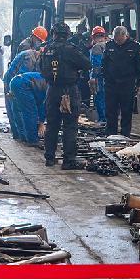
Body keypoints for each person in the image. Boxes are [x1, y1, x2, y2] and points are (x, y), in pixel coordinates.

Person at [40, 22, 90, 169]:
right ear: (67, 35)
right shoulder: (71, 49)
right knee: (70, 126)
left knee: (52, 125)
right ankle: (68, 161)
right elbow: (87, 64)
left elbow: (41, 68)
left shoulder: (47, 49)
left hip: (52, 90)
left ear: (53, 34)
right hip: (69, 91)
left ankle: (49, 158)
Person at [100, 25, 140, 137]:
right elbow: (104, 64)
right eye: (116, 40)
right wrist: (104, 77)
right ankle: (111, 133)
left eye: (120, 40)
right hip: (111, 84)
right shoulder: (109, 46)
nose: (118, 42)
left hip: (127, 83)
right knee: (111, 110)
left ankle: (125, 133)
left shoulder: (134, 47)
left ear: (125, 36)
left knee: (126, 110)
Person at [3, 48, 39, 141]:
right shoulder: (29, 57)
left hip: (13, 80)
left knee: (15, 108)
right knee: (17, 108)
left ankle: (19, 135)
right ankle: (22, 135)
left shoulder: (29, 54)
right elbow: (22, 75)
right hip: (14, 80)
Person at [9, 70, 47, 146]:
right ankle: (32, 140)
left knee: (19, 111)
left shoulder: (45, 77)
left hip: (15, 81)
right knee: (31, 112)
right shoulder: (49, 85)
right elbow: (41, 104)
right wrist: (41, 123)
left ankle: (21, 136)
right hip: (23, 84)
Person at [88, 26, 108, 124]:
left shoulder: (97, 47)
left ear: (93, 37)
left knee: (99, 97)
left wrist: (93, 77)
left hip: (99, 78)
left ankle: (103, 119)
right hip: (109, 77)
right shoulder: (110, 45)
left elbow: (96, 65)